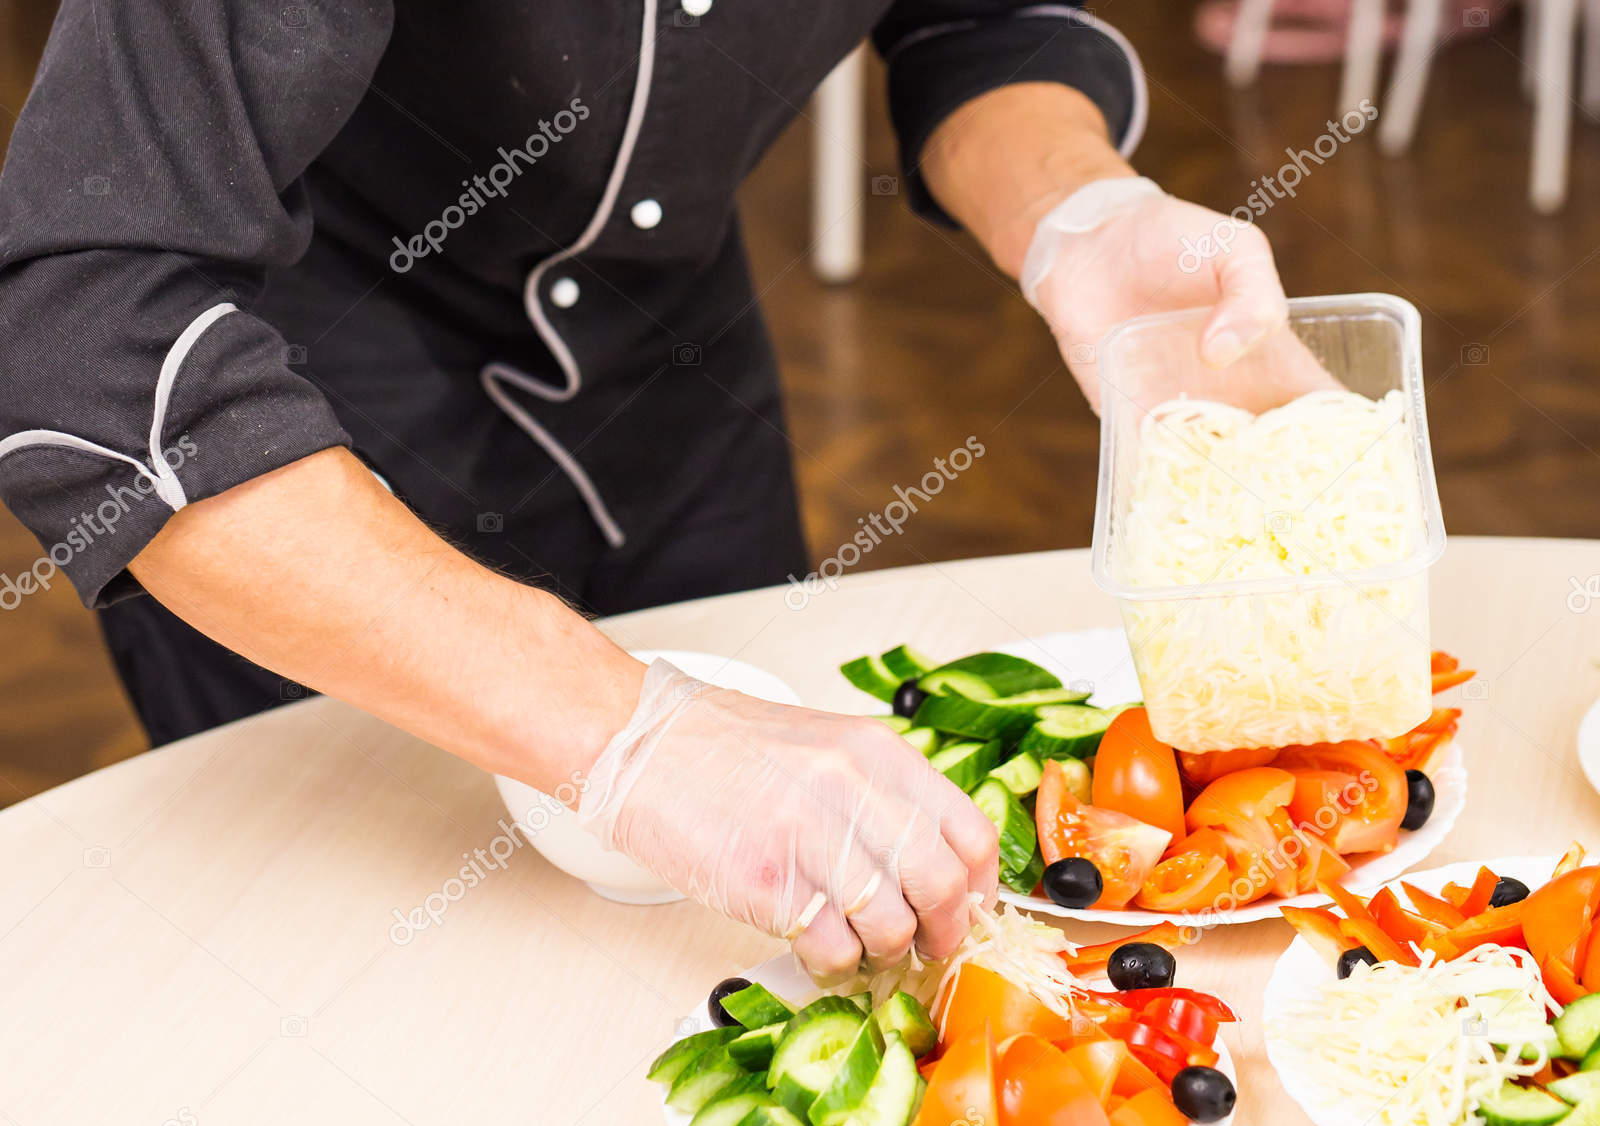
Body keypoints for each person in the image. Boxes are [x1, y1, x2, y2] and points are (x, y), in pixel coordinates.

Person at [0, 2, 1289, 982]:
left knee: (721, 976)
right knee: (384, 993)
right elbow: (82, 329)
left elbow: (976, 24)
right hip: (296, 449)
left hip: (672, 378)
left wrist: (1074, 213)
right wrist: (634, 738)